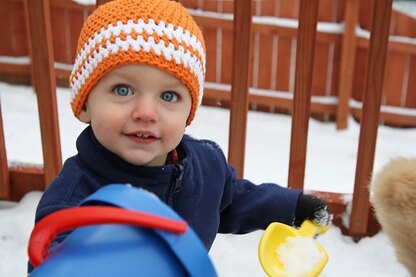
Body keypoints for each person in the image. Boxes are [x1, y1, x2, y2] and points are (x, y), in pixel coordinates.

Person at [30, 0, 330, 271]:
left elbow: (231, 201)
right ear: (84, 105)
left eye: (169, 96)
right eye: (123, 90)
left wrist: (289, 206)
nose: (147, 112)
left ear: (188, 113)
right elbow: (52, 259)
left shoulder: (205, 165)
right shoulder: (76, 197)